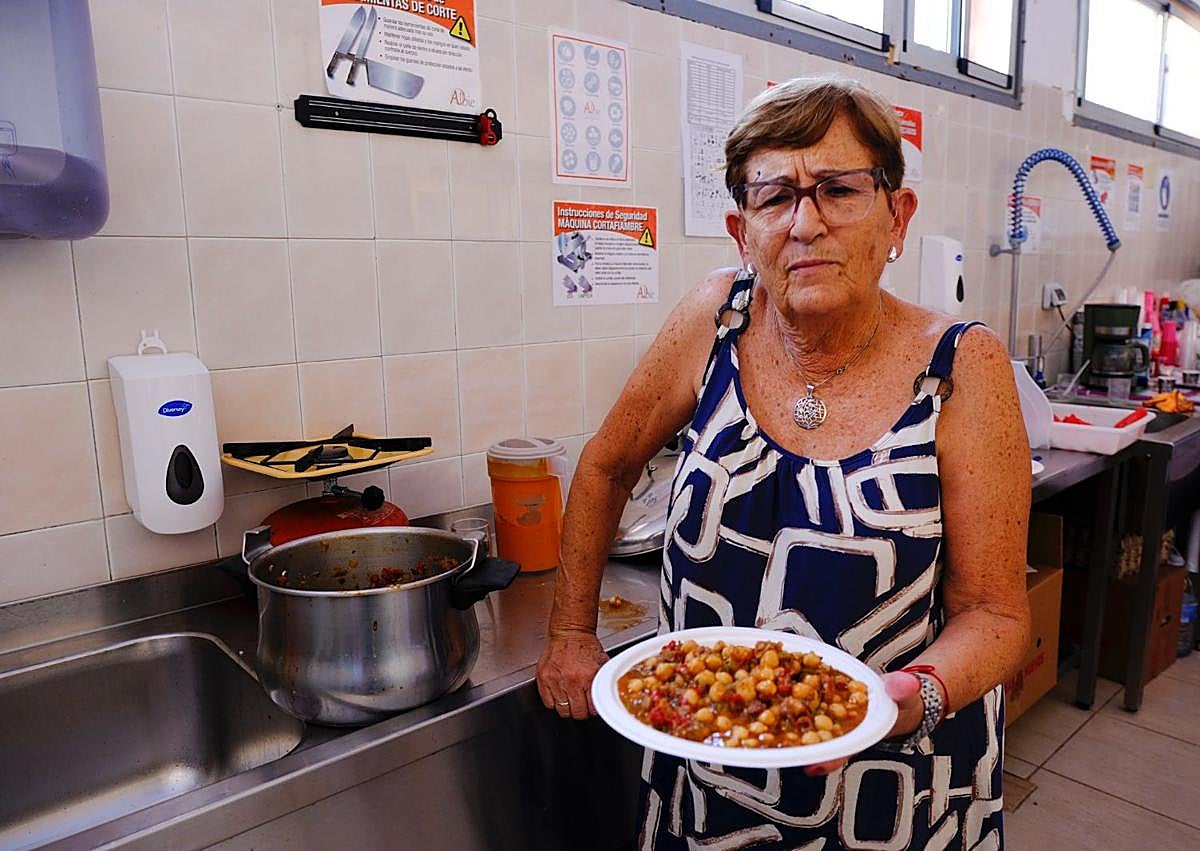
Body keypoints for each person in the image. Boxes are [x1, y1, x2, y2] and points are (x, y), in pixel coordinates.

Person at [536, 76, 1032, 850]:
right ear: (742, 230)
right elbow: (605, 465)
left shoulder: (962, 366)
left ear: (896, 215)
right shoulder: (715, 317)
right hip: (705, 778)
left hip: (893, 791)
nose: (805, 223)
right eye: (775, 197)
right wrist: (571, 630)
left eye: (839, 189)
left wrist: (912, 695)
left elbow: (997, 616)